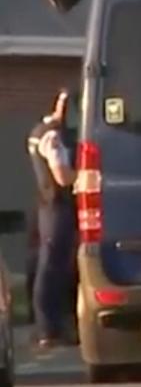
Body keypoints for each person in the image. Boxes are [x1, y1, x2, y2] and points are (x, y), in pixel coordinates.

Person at [27, 89, 77, 350]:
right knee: (52, 268)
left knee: (51, 266)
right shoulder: (53, 136)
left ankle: (50, 327)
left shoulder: (38, 131)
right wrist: (84, 174)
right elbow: (62, 175)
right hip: (57, 206)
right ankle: (47, 328)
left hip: (47, 206)